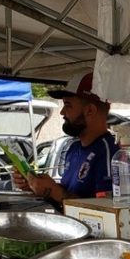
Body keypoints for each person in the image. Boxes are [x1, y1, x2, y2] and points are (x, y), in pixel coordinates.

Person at [13, 70, 116, 206]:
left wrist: (53, 190)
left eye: (68, 105)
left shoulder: (111, 154)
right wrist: (36, 187)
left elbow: (107, 210)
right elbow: (67, 196)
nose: (62, 112)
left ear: (90, 110)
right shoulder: (74, 149)